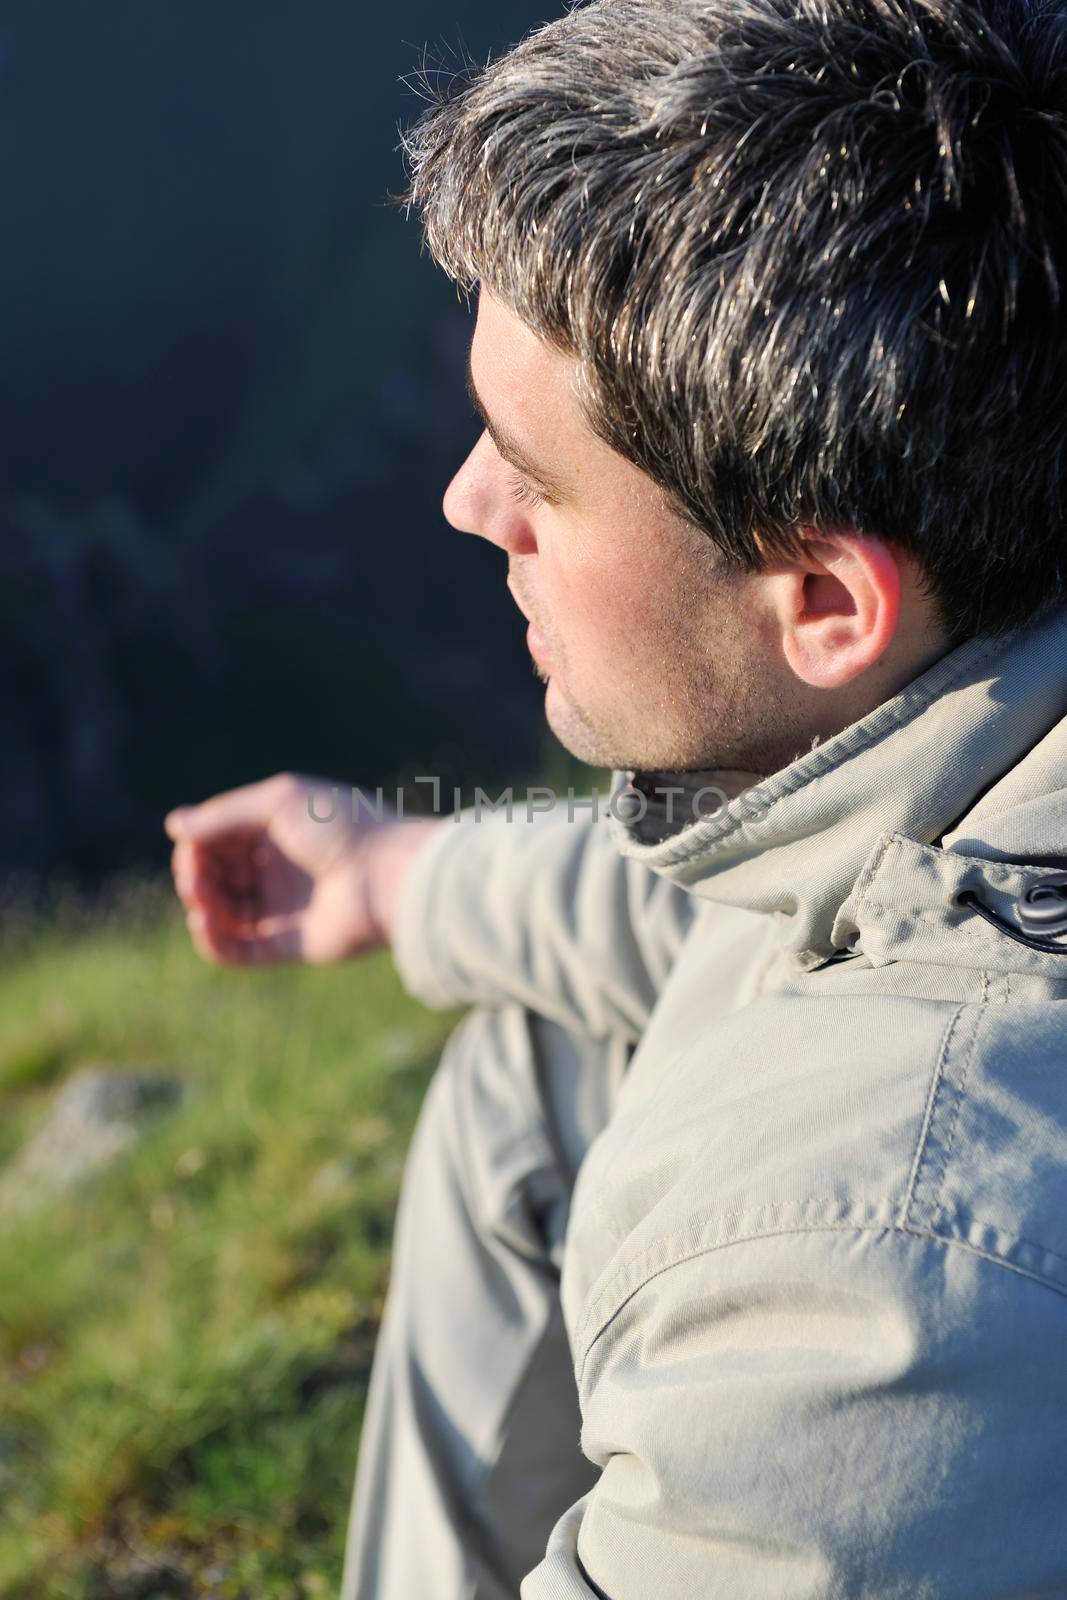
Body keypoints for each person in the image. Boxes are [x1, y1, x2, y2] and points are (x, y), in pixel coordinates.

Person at [164, 0, 1067, 1593]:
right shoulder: (987, 674)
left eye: (540, 474)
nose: (466, 500)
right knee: (538, 1057)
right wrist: (394, 876)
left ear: (826, 604)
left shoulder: (877, 1291)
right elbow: (728, 909)